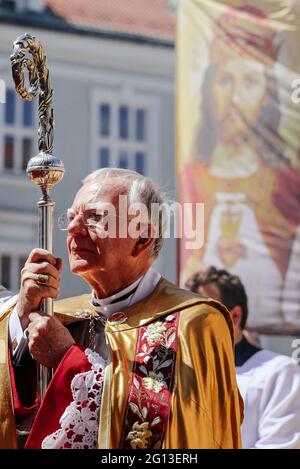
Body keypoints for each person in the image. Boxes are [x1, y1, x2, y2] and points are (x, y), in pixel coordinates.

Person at [0, 168, 242, 449]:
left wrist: (70, 361)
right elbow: (20, 420)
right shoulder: (60, 315)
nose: (75, 228)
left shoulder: (194, 320)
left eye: (95, 217)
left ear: (142, 238)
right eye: (70, 218)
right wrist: (23, 318)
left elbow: (186, 430)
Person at [179, 5, 300, 331]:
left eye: (250, 82)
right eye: (225, 80)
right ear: (208, 89)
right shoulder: (193, 175)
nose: (234, 97)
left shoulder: (286, 180)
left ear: (266, 95)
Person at [186, 266, 300, 449]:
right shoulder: (179, 370)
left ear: (235, 317)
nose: (189, 324)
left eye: (202, 314)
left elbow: (280, 445)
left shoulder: (279, 372)